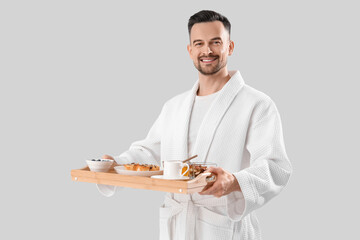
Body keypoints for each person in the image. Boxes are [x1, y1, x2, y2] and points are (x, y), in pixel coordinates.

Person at [101, 10, 292, 240]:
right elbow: (149, 152)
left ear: (230, 47)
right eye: (199, 43)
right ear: (190, 51)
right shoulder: (174, 106)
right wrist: (116, 163)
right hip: (177, 224)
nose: (207, 50)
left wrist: (234, 182)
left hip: (224, 227)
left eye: (215, 42)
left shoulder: (256, 104)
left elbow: (276, 167)